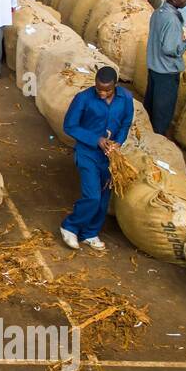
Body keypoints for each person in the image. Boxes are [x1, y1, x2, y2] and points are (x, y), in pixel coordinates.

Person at [59, 66, 133, 252]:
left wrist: (118, 143)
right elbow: (70, 126)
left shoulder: (126, 99)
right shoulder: (83, 98)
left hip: (109, 156)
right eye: (98, 88)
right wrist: (96, 139)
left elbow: (125, 124)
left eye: (107, 90)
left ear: (115, 85)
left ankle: (90, 233)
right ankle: (70, 226)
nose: (102, 93)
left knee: (103, 198)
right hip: (87, 154)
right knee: (92, 196)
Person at [143, 0, 186, 136]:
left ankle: (146, 129)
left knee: (151, 103)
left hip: (154, 66)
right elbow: (170, 49)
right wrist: (185, 44)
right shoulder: (172, 20)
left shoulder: (158, 12)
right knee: (163, 109)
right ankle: (158, 137)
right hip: (166, 71)